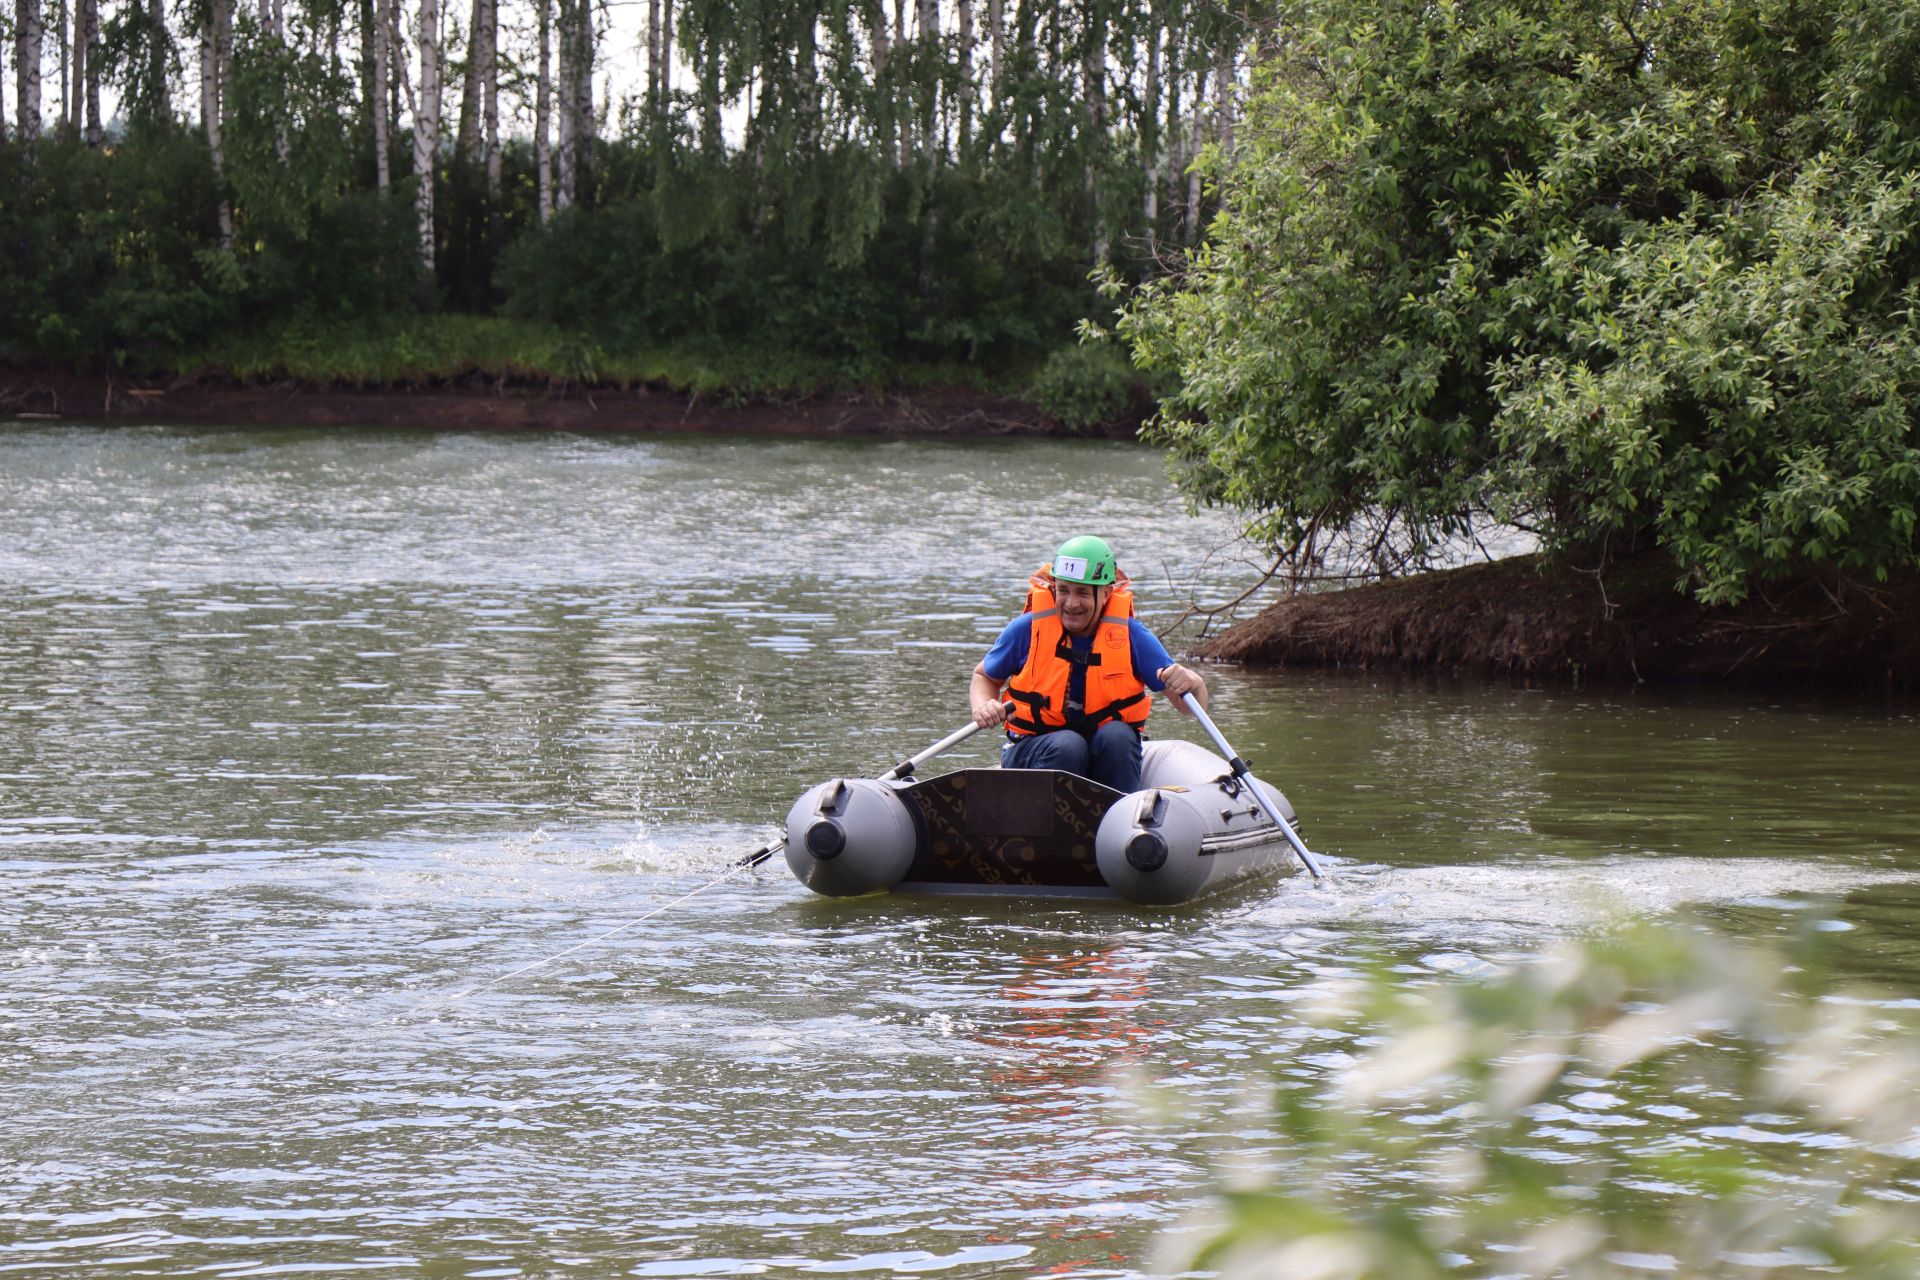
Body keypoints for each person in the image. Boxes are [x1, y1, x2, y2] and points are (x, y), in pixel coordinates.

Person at [969, 535, 1210, 794]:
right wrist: (984, 706)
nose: (1072, 603)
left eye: (1083, 593)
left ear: (1106, 593)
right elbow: (984, 677)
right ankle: (1045, 822)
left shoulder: (1130, 636)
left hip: (1102, 753)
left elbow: (1188, 707)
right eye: (1064, 591)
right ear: (1053, 590)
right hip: (1032, 750)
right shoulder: (1026, 630)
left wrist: (1194, 684)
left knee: (1118, 736)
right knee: (1068, 745)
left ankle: (1119, 818)